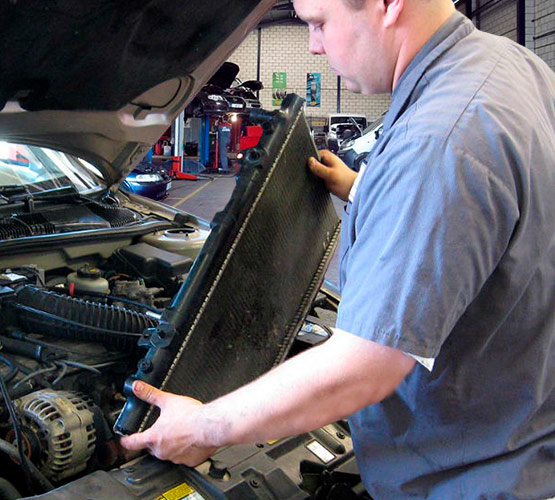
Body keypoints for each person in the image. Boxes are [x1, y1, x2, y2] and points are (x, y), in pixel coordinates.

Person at [121, 0, 555, 498]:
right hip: (522, 434)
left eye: (319, 22)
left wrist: (201, 428)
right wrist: (366, 189)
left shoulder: (441, 138)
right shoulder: (511, 66)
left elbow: (362, 370)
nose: (314, 44)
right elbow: (493, 214)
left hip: (472, 478)